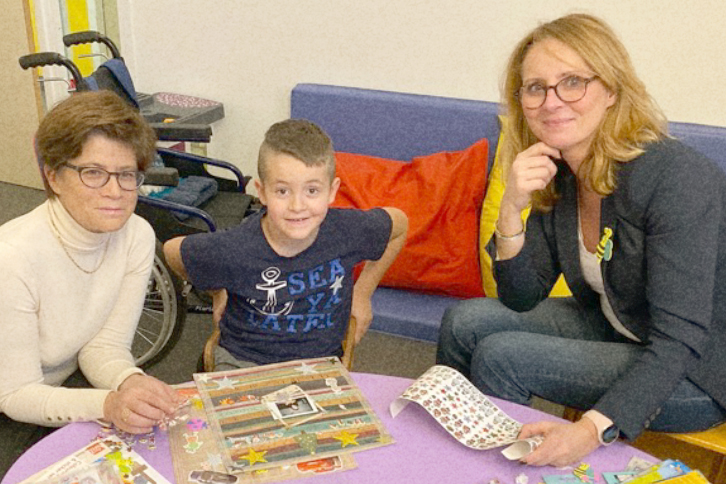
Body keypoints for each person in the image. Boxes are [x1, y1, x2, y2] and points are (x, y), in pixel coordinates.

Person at [436, 13, 726, 467]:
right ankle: (449, 455)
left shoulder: (676, 179)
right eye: (535, 88)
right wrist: (512, 208)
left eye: (572, 82)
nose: (552, 102)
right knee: (463, 321)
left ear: (611, 90)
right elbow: (520, 296)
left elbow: (678, 341)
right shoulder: (565, 173)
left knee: (502, 356)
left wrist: (589, 431)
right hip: (619, 325)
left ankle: (490, 473)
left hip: (695, 371)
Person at [0, 91, 182, 472]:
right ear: (53, 175)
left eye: (126, 174)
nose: (115, 191)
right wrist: (107, 403)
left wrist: (128, 380)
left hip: (61, 384)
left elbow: (104, 345)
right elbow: (15, 394)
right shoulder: (12, 257)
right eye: (93, 172)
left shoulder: (136, 235)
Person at [164, 119, 408, 369]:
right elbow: (173, 251)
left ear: (332, 191)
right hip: (244, 361)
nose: (297, 206)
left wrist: (363, 292)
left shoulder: (347, 230)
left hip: (319, 363)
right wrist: (216, 290)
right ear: (262, 192)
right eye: (282, 191)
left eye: (312, 190)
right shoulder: (234, 247)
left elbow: (399, 226)